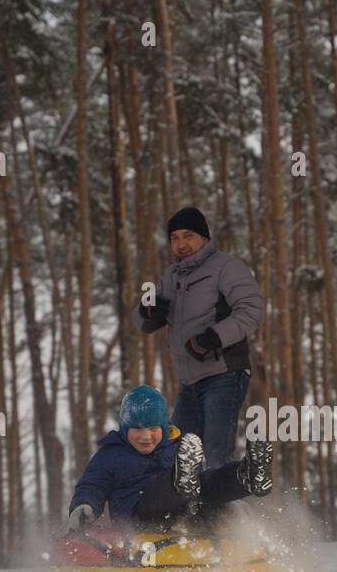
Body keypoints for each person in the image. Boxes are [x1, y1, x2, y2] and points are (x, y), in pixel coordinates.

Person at [134, 206, 264, 470]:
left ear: (204, 237)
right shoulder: (172, 276)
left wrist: (212, 339)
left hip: (225, 375)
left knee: (217, 456)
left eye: (188, 236)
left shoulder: (226, 267)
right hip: (189, 384)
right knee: (178, 457)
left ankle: (229, 511)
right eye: (175, 238)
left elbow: (252, 311)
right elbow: (142, 322)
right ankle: (187, 512)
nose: (181, 244)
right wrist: (147, 309)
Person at [67, 384, 272, 533]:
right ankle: (180, 482)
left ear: (164, 428)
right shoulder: (110, 455)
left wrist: (224, 496)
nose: (145, 436)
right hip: (140, 517)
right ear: (124, 429)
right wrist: (84, 505)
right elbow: (92, 485)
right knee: (171, 485)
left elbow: (203, 485)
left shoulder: (177, 447)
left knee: (208, 482)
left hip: (186, 512)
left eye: (153, 429)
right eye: (136, 429)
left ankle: (244, 477)